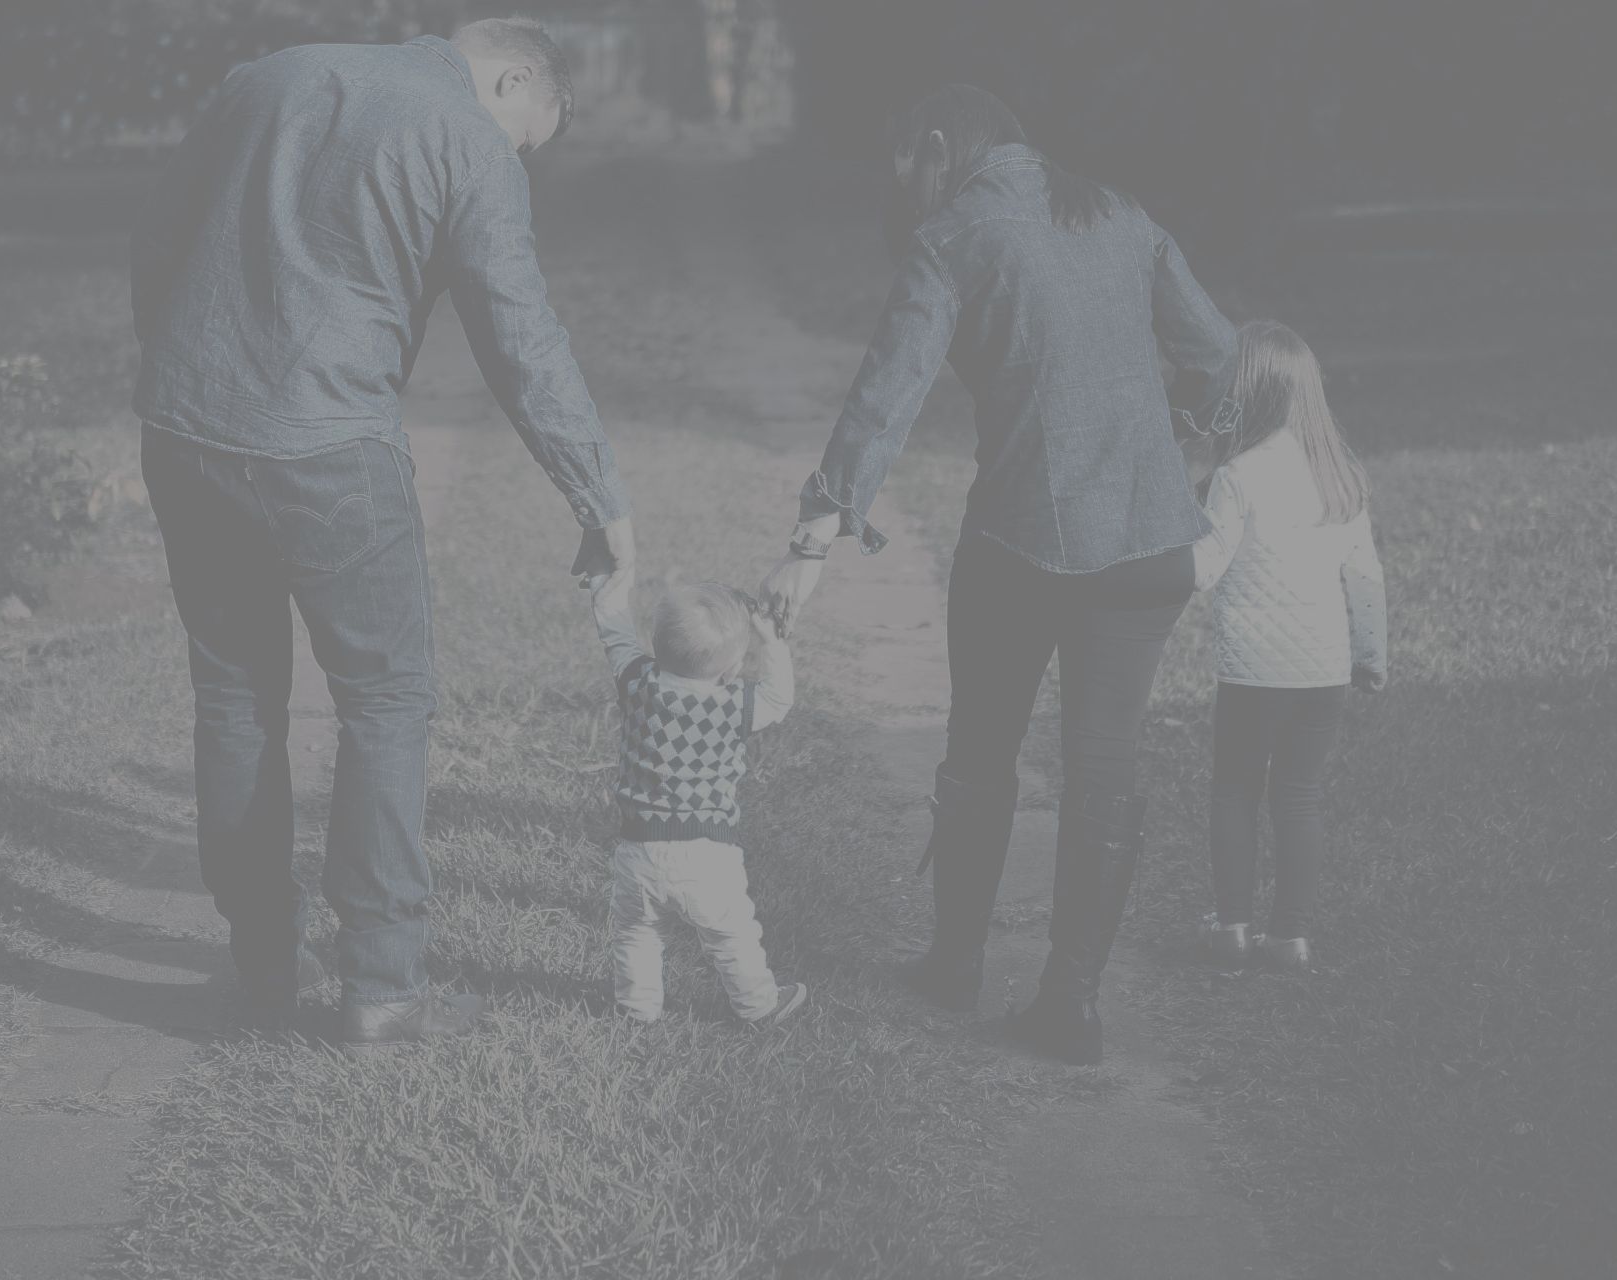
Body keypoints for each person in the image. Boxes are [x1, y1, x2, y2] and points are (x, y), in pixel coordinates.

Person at [130, 18, 637, 1050]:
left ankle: (264, 959)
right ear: (511, 76)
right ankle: (384, 984)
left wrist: (178, 372)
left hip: (185, 429)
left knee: (234, 694)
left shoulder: (267, 75)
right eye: (527, 136)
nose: (517, 155)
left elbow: (157, 236)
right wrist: (600, 499)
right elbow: (520, 337)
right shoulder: (469, 141)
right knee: (386, 701)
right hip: (329, 447)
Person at [759, 85, 1238, 1065]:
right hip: (1150, 546)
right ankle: (1073, 1003)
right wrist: (1174, 432)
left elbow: (885, 398)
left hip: (1021, 543)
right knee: (1105, 768)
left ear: (939, 148)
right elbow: (1220, 355)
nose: (904, 189)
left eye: (905, 167)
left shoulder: (952, 234)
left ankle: (955, 964)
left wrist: (810, 544)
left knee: (981, 750)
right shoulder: (1120, 212)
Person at [1190, 320, 1387, 975]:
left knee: (1235, 792)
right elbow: (1365, 576)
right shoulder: (1340, 476)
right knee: (1299, 795)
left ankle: (1231, 931)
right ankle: (1290, 941)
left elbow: (1203, 569)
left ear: (1246, 393)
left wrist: (1163, 543)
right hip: (1323, 672)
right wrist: (1370, 657)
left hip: (1253, 671)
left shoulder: (1236, 477)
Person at [588, 569, 808, 1026]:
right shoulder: (735, 705)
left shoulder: (638, 683)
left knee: (636, 932)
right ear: (731, 669)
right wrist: (771, 641)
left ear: (657, 645)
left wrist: (608, 583)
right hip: (708, 855)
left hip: (639, 849)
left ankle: (636, 1008)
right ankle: (758, 1005)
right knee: (732, 936)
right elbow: (779, 698)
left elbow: (615, 635)